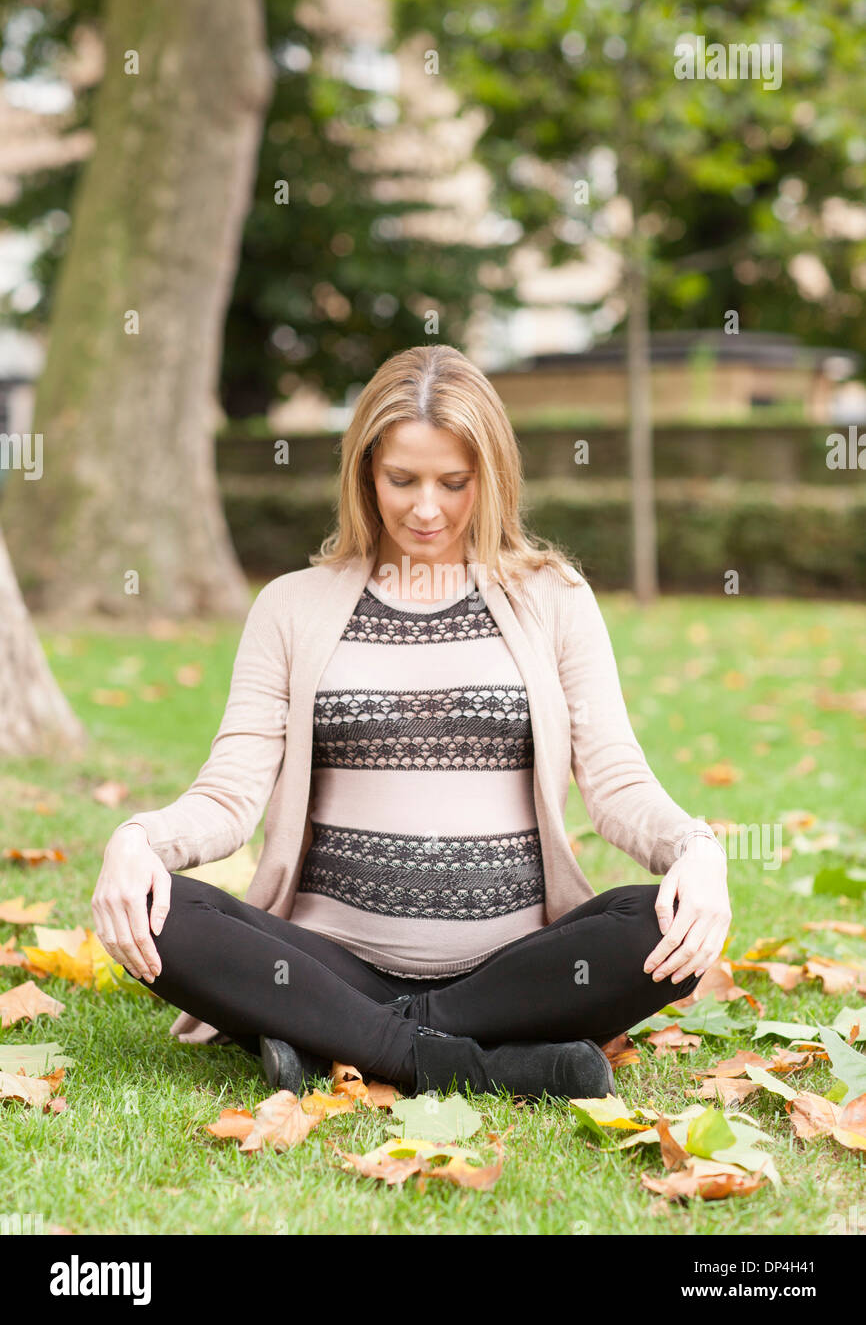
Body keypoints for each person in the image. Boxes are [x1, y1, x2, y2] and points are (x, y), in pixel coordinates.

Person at [92, 344, 731, 1101]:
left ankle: (337, 1034)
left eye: (453, 483)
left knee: (659, 927)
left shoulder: (554, 598)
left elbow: (618, 781)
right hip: (327, 959)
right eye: (402, 479)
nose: (426, 508)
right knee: (166, 912)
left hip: (511, 967)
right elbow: (229, 795)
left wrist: (695, 849)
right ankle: (475, 1063)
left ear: (489, 478)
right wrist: (139, 839)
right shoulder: (292, 607)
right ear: (366, 472)